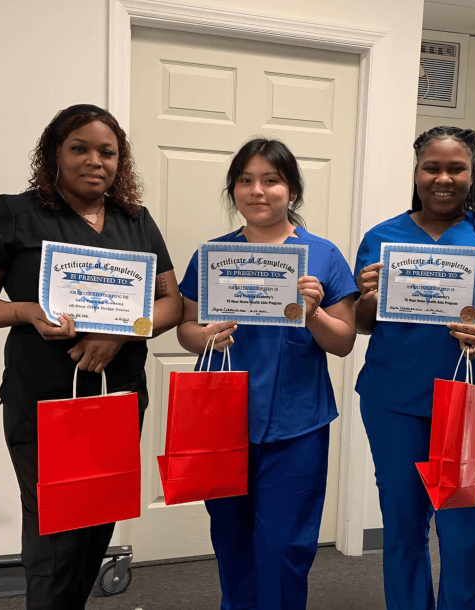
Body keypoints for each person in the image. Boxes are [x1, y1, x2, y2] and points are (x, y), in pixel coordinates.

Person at [0, 104, 183, 610]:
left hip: (116, 399)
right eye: (79, 148)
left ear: (121, 161)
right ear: (54, 153)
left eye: (108, 152)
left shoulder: (136, 221)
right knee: (54, 536)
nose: (94, 160)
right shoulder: (15, 212)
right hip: (44, 402)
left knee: (96, 525)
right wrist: (26, 311)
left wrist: (121, 334)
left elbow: (172, 302)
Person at [354, 126, 475, 610]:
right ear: (417, 172)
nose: (443, 178)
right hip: (394, 402)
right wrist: (369, 298)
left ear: (471, 171)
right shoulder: (383, 237)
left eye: (455, 168)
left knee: (467, 534)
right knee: (403, 529)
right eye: (431, 167)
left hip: (469, 403)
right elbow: (361, 324)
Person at [176, 137, 358, 610]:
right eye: (245, 181)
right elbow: (186, 333)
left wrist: (313, 313)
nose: (258, 191)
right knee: (232, 542)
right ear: (233, 190)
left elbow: (343, 343)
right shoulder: (213, 256)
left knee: (283, 548)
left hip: (297, 422)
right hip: (222, 419)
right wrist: (208, 335)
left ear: (291, 190)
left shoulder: (322, 255)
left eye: (271, 180)